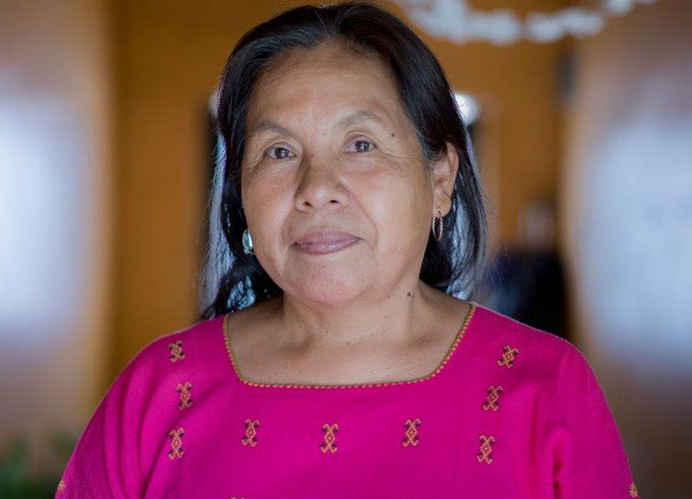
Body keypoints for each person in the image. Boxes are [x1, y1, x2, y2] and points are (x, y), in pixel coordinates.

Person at [56, 2, 638, 497]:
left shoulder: (546, 388)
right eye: (279, 152)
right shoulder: (158, 393)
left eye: (360, 144)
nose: (316, 189)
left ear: (439, 179)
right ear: (241, 193)